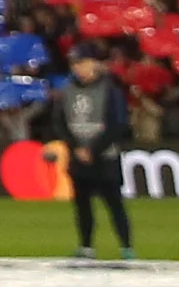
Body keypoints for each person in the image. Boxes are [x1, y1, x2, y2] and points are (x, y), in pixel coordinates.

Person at [55, 51, 141, 261]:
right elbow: (59, 122)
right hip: (78, 156)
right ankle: (86, 246)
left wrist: (92, 150)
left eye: (82, 63)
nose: (78, 68)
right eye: (75, 64)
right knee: (82, 204)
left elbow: (117, 124)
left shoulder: (110, 90)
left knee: (114, 203)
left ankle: (126, 246)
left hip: (105, 156)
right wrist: (75, 147)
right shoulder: (67, 91)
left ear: (94, 63)